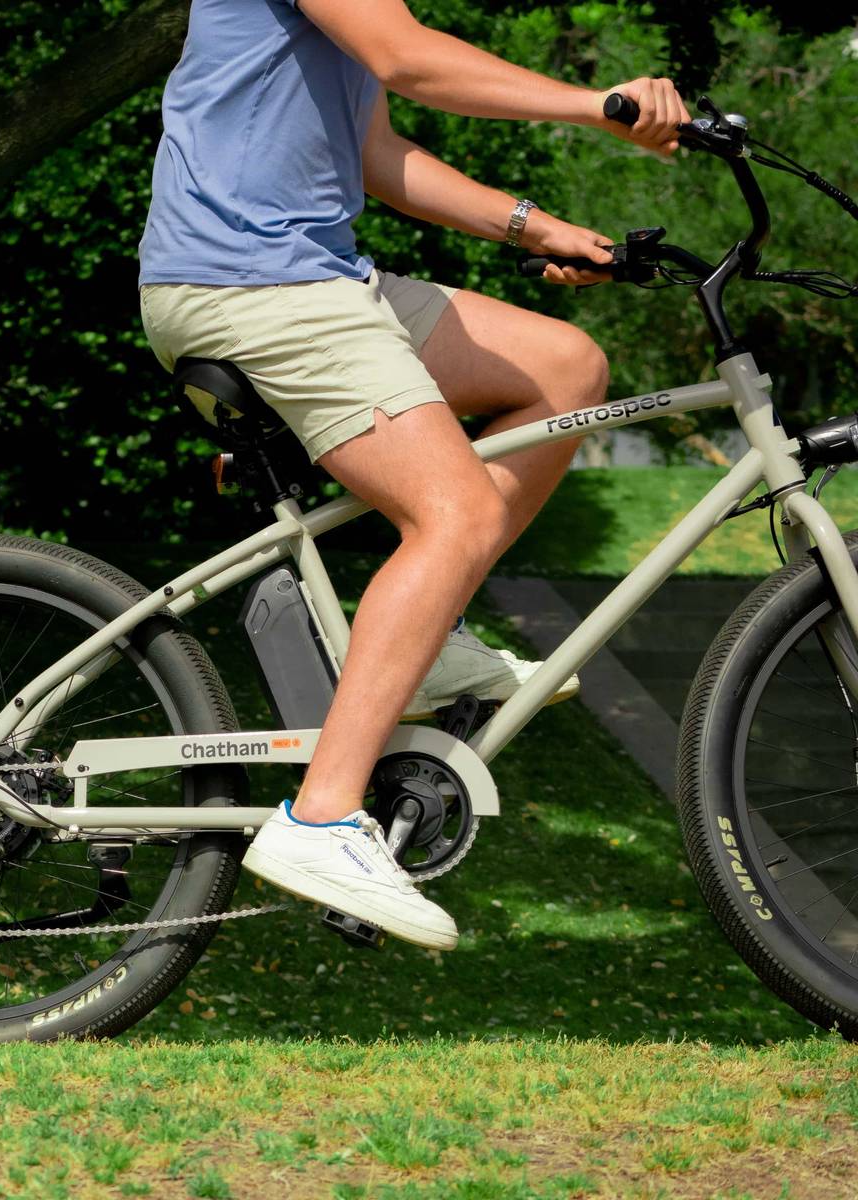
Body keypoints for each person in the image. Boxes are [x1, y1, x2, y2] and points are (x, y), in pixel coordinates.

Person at [137, 0, 688, 951]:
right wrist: (601, 106)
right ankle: (320, 819)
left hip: (315, 274)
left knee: (564, 370)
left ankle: (426, 648)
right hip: (252, 285)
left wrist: (537, 229)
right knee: (456, 512)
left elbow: (375, 154)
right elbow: (412, 61)